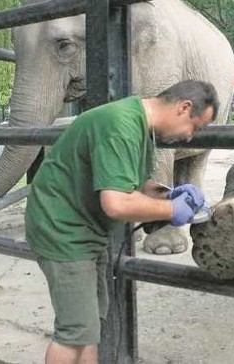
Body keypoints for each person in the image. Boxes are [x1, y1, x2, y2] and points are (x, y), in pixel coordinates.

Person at [25, 80, 219, 364]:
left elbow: (131, 184)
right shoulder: (121, 126)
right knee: (73, 331)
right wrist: (170, 210)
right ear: (184, 107)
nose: (191, 137)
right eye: (196, 126)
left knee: (89, 328)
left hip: (86, 231)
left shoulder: (138, 124)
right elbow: (116, 203)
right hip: (63, 231)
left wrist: (167, 193)